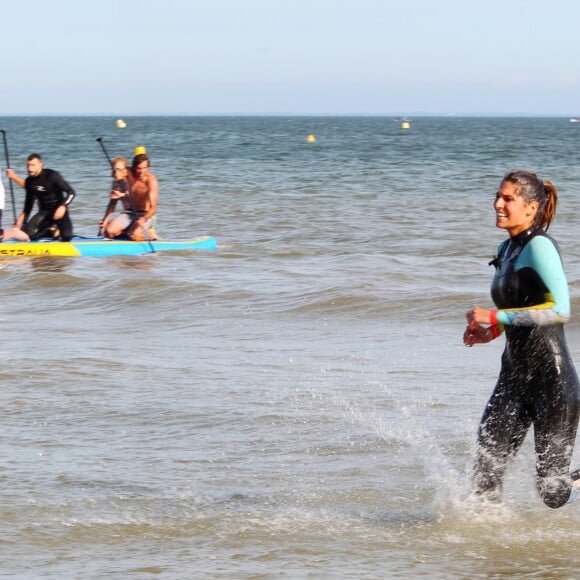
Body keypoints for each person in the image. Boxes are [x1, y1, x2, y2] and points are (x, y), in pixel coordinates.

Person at [464, 170, 580, 509]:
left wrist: (495, 316)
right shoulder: (506, 247)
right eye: (497, 197)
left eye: (508, 199)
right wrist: (491, 332)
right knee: (485, 472)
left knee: (553, 493)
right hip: (513, 378)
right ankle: (483, 549)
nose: (497, 204)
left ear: (530, 208)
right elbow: (522, 305)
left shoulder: (539, 246)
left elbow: (559, 309)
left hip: (552, 382)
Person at [7, 153, 76, 241]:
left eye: (33, 165)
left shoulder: (52, 176)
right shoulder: (29, 182)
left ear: (41, 165)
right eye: (28, 165)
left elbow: (71, 192)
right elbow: (28, 206)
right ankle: (51, 231)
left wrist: (63, 206)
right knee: (28, 234)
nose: (29, 168)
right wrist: (22, 222)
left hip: (59, 211)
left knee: (66, 237)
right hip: (44, 212)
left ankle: (57, 230)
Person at [103, 153, 158, 241]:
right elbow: (118, 173)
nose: (142, 171)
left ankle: (148, 233)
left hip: (144, 215)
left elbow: (153, 208)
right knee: (108, 232)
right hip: (130, 213)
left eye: (145, 168)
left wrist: (143, 219)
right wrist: (116, 173)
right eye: (139, 168)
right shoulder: (129, 172)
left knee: (134, 235)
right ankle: (128, 231)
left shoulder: (151, 181)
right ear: (134, 167)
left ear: (148, 167)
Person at [99, 156, 131, 236]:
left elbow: (133, 194)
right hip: (127, 214)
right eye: (115, 169)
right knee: (105, 228)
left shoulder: (131, 180)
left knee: (110, 231)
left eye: (119, 169)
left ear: (125, 171)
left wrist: (122, 195)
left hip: (138, 213)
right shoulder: (115, 183)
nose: (116, 172)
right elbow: (112, 204)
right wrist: (105, 220)